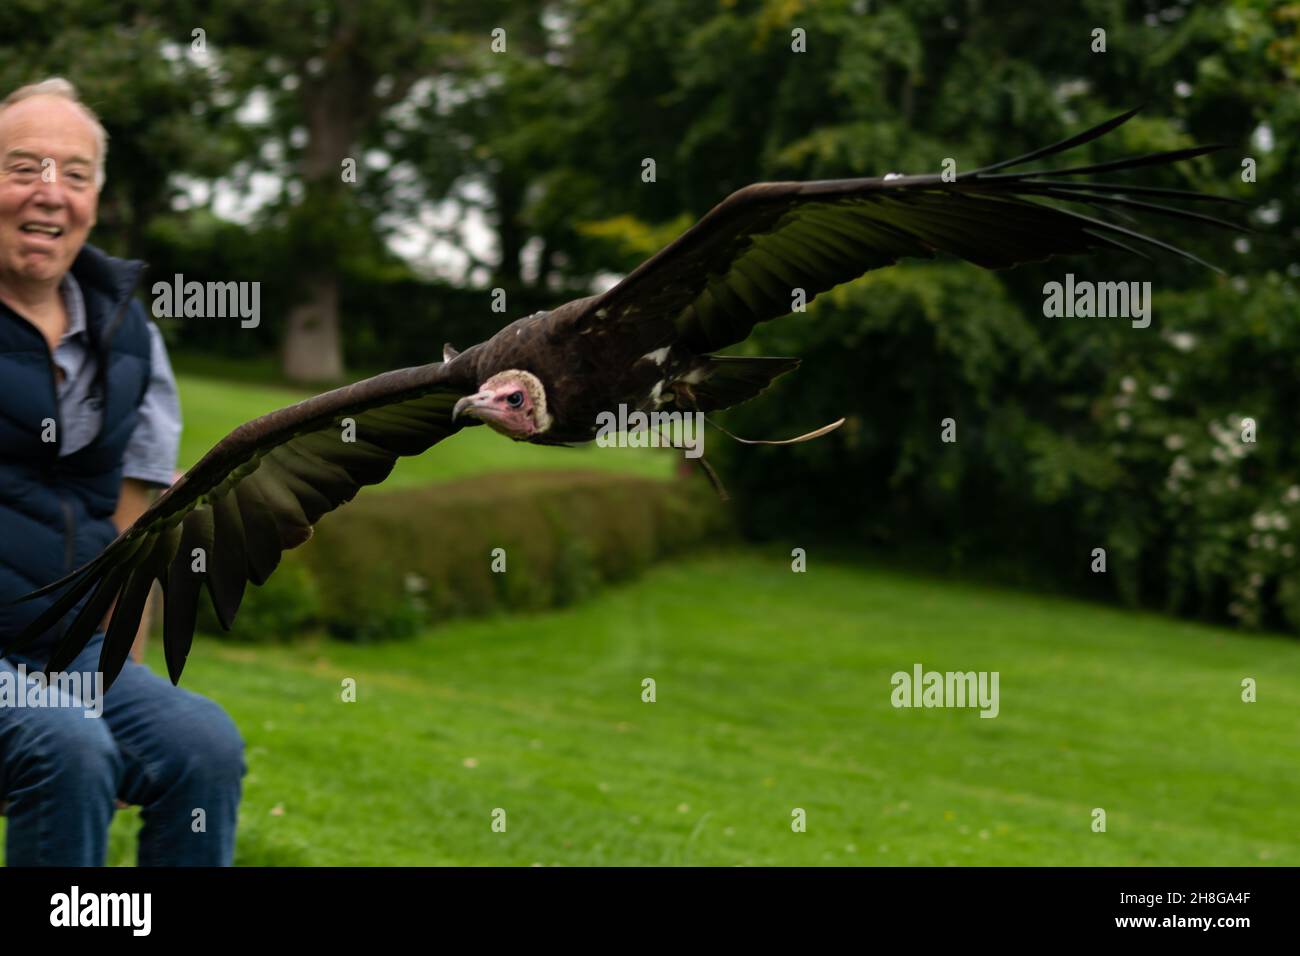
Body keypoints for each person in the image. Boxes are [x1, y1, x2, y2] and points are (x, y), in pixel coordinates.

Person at [0, 78, 245, 866]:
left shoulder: (129, 334)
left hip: (66, 656)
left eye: (74, 175)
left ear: (96, 201)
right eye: (22, 167)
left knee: (202, 743)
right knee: (67, 748)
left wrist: (114, 674)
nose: (50, 193)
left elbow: (133, 529)